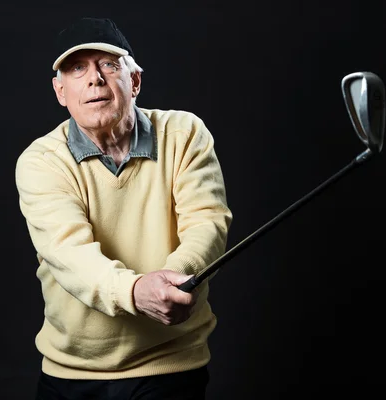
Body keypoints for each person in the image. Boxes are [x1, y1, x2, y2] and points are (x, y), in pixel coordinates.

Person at [15, 17, 233, 400]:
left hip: (171, 364)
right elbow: (69, 254)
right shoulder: (41, 161)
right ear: (60, 92)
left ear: (135, 81)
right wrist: (134, 291)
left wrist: (174, 278)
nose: (95, 79)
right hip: (72, 373)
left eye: (109, 65)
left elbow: (207, 223)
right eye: (77, 68)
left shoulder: (185, 134)